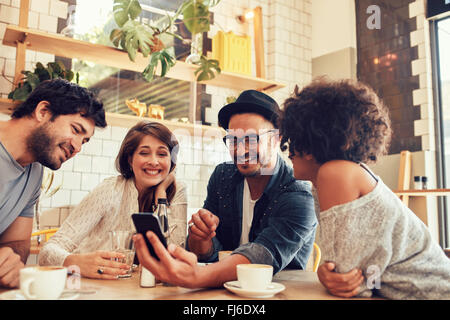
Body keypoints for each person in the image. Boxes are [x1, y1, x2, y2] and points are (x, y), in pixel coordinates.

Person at [279, 78, 450, 299]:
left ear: (310, 142)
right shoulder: (337, 177)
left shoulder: (336, 174)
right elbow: (365, 276)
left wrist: (331, 275)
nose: (289, 150)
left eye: (294, 139)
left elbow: (349, 285)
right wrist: (328, 274)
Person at [133, 89, 317, 288]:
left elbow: (263, 256)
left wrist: (196, 276)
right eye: (233, 140)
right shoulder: (223, 177)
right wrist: (200, 238)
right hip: (224, 291)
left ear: (275, 139)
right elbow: (208, 251)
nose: (240, 150)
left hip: (281, 294)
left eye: (251, 139)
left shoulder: (298, 194)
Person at [39, 121, 187, 280]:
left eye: (162, 154)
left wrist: (162, 194)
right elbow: (48, 252)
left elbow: (174, 255)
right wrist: (74, 262)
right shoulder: (110, 190)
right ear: (130, 159)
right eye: (144, 153)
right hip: (92, 287)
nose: (154, 161)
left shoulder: (176, 190)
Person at [0, 79, 106, 288]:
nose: (77, 148)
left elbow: (16, 245)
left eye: (84, 141)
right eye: (76, 130)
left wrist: (10, 264)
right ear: (43, 111)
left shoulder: (34, 172)